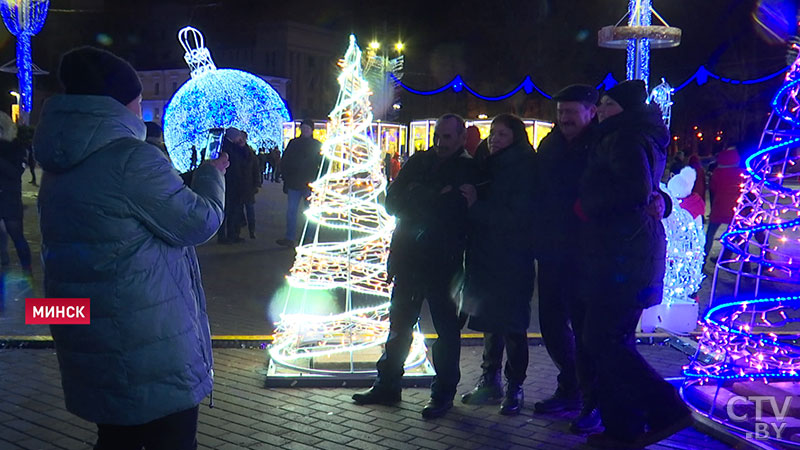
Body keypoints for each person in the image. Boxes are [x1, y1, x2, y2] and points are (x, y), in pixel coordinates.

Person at [33, 46, 228, 450]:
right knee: (170, 438)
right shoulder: (133, 160)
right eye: (138, 100)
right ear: (121, 105)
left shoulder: (59, 159)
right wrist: (212, 174)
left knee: (116, 437)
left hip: (91, 335)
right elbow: (199, 221)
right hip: (146, 342)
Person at [578, 80, 692, 448]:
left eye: (608, 104)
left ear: (623, 109)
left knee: (603, 339)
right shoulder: (631, 135)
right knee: (612, 341)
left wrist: (588, 203)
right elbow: (645, 191)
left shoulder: (623, 139)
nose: (600, 110)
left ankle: (666, 407)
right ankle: (623, 428)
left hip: (622, 258)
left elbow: (632, 192)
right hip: (624, 254)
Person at [352, 114, 479, 419]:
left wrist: (418, 197)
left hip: (443, 263)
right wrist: (435, 196)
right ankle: (387, 384)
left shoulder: (467, 169)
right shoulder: (420, 161)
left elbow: (455, 212)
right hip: (408, 258)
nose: (440, 142)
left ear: (461, 138)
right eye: (438, 136)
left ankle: (443, 392)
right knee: (399, 325)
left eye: (448, 137)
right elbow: (391, 202)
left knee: (446, 331)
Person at [531, 84, 601, 432]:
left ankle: (593, 400)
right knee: (551, 323)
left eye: (571, 112)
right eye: (560, 113)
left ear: (591, 111)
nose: (565, 119)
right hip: (552, 249)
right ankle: (571, 385)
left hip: (587, 252)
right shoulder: (550, 144)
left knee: (588, 329)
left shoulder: (601, 145)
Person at [459, 114, 537, 416]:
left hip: (512, 256)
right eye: (493, 133)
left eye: (502, 134)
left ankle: (514, 384)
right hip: (487, 256)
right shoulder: (488, 164)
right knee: (491, 321)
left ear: (515, 137)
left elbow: (516, 216)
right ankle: (490, 380)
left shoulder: (522, 168)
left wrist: (476, 206)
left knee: (513, 325)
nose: (494, 139)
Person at [278, 119, 322, 247]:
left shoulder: (317, 145)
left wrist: (319, 180)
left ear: (312, 130)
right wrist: (286, 178)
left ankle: (309, 236)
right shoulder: (293, 143)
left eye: (307, 128)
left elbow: (323, 163)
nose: (305, 131)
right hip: (294, 183)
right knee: (291, 211)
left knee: (310, 212)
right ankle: (290, 237)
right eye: (303, 128)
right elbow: (285, 161)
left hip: (310, 183)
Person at [0, 111, 32, 274]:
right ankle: (4, 262)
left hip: (9, 201)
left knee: (17, 237)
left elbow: (15, 173)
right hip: (7, 199)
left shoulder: (16, 148)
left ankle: (27, 269)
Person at [705, 146, 745, 262]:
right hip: (735, 209)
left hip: (718, 208)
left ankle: (703, 260)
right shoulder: (741, 172)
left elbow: (713, 188)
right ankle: (744, 264)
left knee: (710, 235)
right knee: (738, 236)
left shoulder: (717, 172)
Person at [217, 128, 251, 244]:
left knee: (233, 211)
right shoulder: (227, 147)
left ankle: (232, 234)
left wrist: (243, 146)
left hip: (236, 184)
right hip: (229, 183)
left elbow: (247, 159)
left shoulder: (235, 146)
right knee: (228, 211)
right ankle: (225, 236)